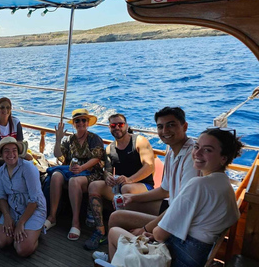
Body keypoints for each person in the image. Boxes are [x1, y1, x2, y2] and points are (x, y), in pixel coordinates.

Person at [95, 127, 242, 267]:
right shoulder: (224, 183)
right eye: (197, 147)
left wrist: (147, 231)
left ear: (223, 158)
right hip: (198, 255)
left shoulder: (198, 185)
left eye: (208, 150)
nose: (197, 153)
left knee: (115, 233)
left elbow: (159, 235)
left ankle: (114, 261)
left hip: (180, 257)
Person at [107, 107, 201, 238]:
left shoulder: (193, 156)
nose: (165, 131)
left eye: (171, 125)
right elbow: (164, 191)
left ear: (184, 126)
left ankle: (122, 247)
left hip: (184, 222)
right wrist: (132, 198)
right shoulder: (171, 154)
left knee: (116, 218)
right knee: (126, 203)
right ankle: (124, 248)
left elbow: (182, 207)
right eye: (160, 127)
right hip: (173, 207)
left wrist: (145, 228)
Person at [85, 113, 155, 250]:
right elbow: (108, 170)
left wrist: (130, 180)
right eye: (113, 125)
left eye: (120, 124)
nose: (117, 127)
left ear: (126, 126)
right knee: (94, 186)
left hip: (143, 187)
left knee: (126, 189)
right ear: (109, 128)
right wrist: (107, 177)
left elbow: (150, 166)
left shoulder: (139, 141)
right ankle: (100, 231)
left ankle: (128, 233)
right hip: (122, 186)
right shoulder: (110, 148)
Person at [45, 108, 106, 241]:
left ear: (88, 122)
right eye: (77, 121)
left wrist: (82, 167)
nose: (80, 123)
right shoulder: (69, 140)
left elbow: (97, 158)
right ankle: (52, 216)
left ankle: (76, 222)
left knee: (74, 181)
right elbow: (59, 156)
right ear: (74, 124)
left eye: (83, 120)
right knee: (56, 175)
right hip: (73, 172)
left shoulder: (94, 139)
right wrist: (58, 140)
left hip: (91, 173)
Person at [0, 137, 46, 257]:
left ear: (18, 152)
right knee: (0, 242)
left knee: (22, 249)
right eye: (6, 151)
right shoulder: (1, 171)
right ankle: (27, 232)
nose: (11, 154)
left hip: (33, 208)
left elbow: (34, 200)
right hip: (13, 208)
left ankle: (35, 233)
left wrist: (21, 222)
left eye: (14, 150)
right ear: (1, 154)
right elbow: (1, 197)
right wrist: (7, 216)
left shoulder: (28, 168)